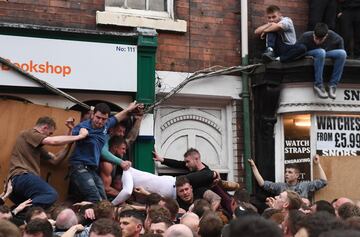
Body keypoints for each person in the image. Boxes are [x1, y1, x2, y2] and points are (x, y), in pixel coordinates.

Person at [7, 116, 88, 209]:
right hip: (21, 177)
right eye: (49, 133)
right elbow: (53, 141)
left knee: (32, 211)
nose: (48, 136)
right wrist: (79, 136)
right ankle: (19, 211)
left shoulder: (35, 145)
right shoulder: (30, 133)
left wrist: (69, 143)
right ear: (44, 128)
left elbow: (55, 160)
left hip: (17, 183)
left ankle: (17, 214)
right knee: (50, 195)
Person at [68, 101, 141, 202]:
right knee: (95, 198)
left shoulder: (106, 125)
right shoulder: (82, 127)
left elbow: (118, 117)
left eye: (103, 119)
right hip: (79, 167)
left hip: (91, 169)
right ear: (93, 115)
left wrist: (129, 109)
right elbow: (103, 152)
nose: (100, 121)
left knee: (103, 200)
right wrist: (80, 134)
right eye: (98, 117)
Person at [298, 23, 347, 99]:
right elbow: (296, 50)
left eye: (320, 39)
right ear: (313, 33)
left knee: (342, 53)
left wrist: (340, 60)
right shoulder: (306, 36)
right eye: (316, 38)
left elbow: (340, 40)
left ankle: (333, 85)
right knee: (321, 51)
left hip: (323, 54)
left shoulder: (332, 35)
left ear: (326, 36)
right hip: (308, 53)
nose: (317, 41)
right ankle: (318, 84)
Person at [248, 154, 327, 198]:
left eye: (290, 172)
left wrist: (317, 164)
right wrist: (253, 166)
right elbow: (262, 183)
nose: (286, 174)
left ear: (297, 175)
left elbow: (323, 182)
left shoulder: (305, 186)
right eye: (286, 172)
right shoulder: (280, 186)